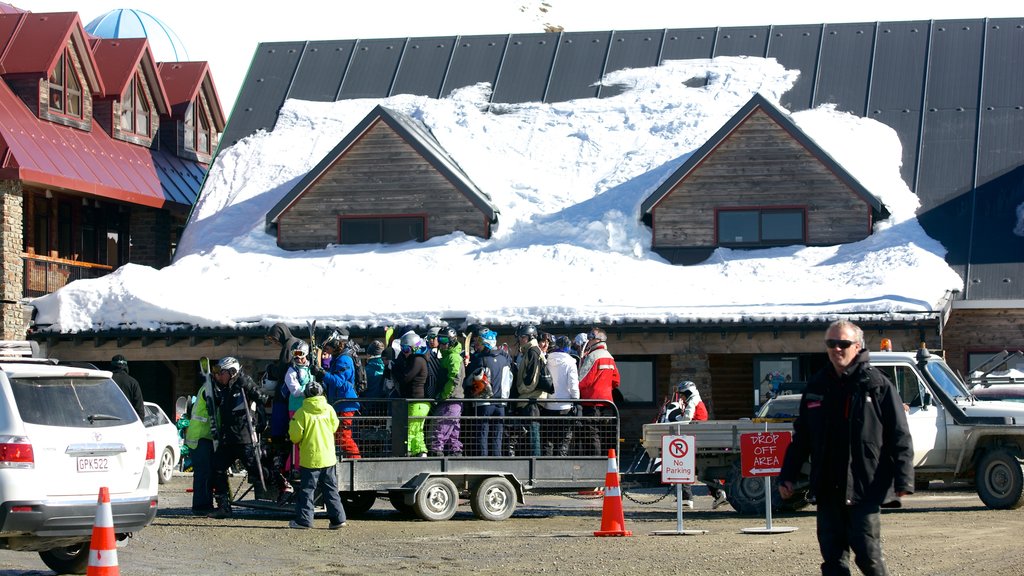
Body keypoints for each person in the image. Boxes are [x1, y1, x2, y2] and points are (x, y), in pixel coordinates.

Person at [779, 320, 914, 576]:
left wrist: (903, 479)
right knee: (832, 560)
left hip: (865, 486)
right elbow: (802, 437)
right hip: (828, 486)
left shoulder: (877, 385)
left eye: (843, 344)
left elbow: (899, 435)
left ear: (858, 346)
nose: (837, 349)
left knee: (868, 557)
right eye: (831, 344)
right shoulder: (817, 386)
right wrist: (788, 475)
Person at [209, 357, 272, 519]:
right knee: (217, 467)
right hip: (227, 438)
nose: (218, 376)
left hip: (244, 437)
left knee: (256, 471)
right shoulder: (222, 388)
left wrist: (250, 387)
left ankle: (280, 484)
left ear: (232, 372)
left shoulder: (243, 383)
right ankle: (224, 506)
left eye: (221, 373)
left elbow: (263, 399)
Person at [287, 381, 347, 530]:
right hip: (328, 457)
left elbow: (294, 436)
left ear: (306, 395)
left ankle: (304, 521)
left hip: (310, 458)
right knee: (331, 489)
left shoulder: (301, 412)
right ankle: (338, 519)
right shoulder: (329, 409)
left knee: (307, 490)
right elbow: (334, 426)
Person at [663, 380, 728, 509]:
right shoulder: (696, 400)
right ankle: (718, 494)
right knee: (700, 468)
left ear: (688, 392)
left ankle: (686, 498)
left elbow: (687, 419)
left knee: (682, 465)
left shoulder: (693, 401)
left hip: (693, 438)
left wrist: (675, 420)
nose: (681, 397)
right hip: (699, 438)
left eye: (682, 394)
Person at [463, 329, 513, 456]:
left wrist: (467, 365)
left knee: (482, 435)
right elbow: (510, 379)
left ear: (486, 343)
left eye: (479, 341)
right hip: (501, 404)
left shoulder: (480, 360)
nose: (476, 344)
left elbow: (468, 380)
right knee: (497, 437)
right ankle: (497, 465)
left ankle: (483, 463)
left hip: (484, 403)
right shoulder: (505, 359)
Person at [264, 323, 302, 494]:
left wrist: (272, 368)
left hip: (284, 397)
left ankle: (282, 459)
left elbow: (283, 368)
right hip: (288, 397)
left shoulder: (289, 345)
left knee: (278, 431)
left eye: (274, 338)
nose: (274, 342)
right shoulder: (292, 343)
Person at [577, 327, 621, 456]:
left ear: (597, 339)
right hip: (607, 403)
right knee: (604, 434)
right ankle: (606, 462)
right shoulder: (609, 357)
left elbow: (583, 380)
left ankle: (593, 464)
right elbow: (616, 381)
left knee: (591, 434)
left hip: (591, 402)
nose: (588, 340)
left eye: (591, 337)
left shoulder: (593, 356)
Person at [320, 330, 361, 459]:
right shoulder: (337, 358)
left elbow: (338, 382)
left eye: (327, 347)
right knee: (337, 437)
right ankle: (347, 460)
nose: (326, 350)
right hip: (339, 403)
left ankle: (357, 462)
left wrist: (323, 374)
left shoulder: (344, 359)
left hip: (345, 404)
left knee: (343, 437)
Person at [184, 363, 217, 515]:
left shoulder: (207, 388)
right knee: (203, 473)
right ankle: (201, 506)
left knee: (206, 473)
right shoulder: (208, 391)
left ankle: (204, 503)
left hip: (203, 436)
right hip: (200, 437)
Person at [510, 324, 547, 457]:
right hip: (530, 398)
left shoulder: (533, 351)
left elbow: (532, 378)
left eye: (523, 337)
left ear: (531, 336)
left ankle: (534, 466)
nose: (520, 339)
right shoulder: (529, 351)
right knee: (531, 433)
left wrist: (521, 390)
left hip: (532, 399)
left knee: (533, 433)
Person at [392, 331, 430, 457]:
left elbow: (405, 378)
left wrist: (394, 369)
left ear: (415, 347)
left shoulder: (418, 360)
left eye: (407, 349)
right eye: (402, 349)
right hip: (417, 401)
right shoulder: (415, 359)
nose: (404, 352)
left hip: (417, 401)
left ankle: (407, 451)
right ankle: (420, 452)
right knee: (416, 429)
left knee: (411, 429)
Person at [540, 335, 579, 456]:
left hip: (548, 405)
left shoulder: (546, 360)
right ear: (568, 348)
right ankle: (560, 467)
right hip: (565, 406)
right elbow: (573, 385)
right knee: (563, 440)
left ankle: (546, 467)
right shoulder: (570, 363)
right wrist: (576, 400)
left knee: (548, 439)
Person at [431, 327, 464, 456]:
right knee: (452, 430)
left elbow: (454, 378)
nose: (441, 343)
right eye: (439, 339)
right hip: (452, 400)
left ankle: (436, 453)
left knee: (441, 427)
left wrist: (444, 395)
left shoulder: (453, 357)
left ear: (452, 341)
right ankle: (455, 453)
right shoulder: (447, 356)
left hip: (450, 399)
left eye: (444, 340)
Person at [110, 354, 144, 419]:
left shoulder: (106, 381)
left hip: (108, 422)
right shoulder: (133, 382)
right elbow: (140, 409)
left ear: (112, 365)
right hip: (128, 423)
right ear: (125, 366)